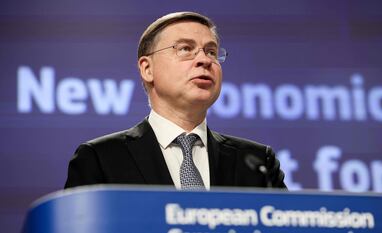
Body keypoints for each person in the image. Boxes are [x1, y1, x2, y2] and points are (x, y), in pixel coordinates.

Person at [64, 11, 286, 190]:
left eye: (211, 52)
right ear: (147, 68)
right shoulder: (101, 158)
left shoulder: (257, 163)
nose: (204, 60)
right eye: (185, 49)